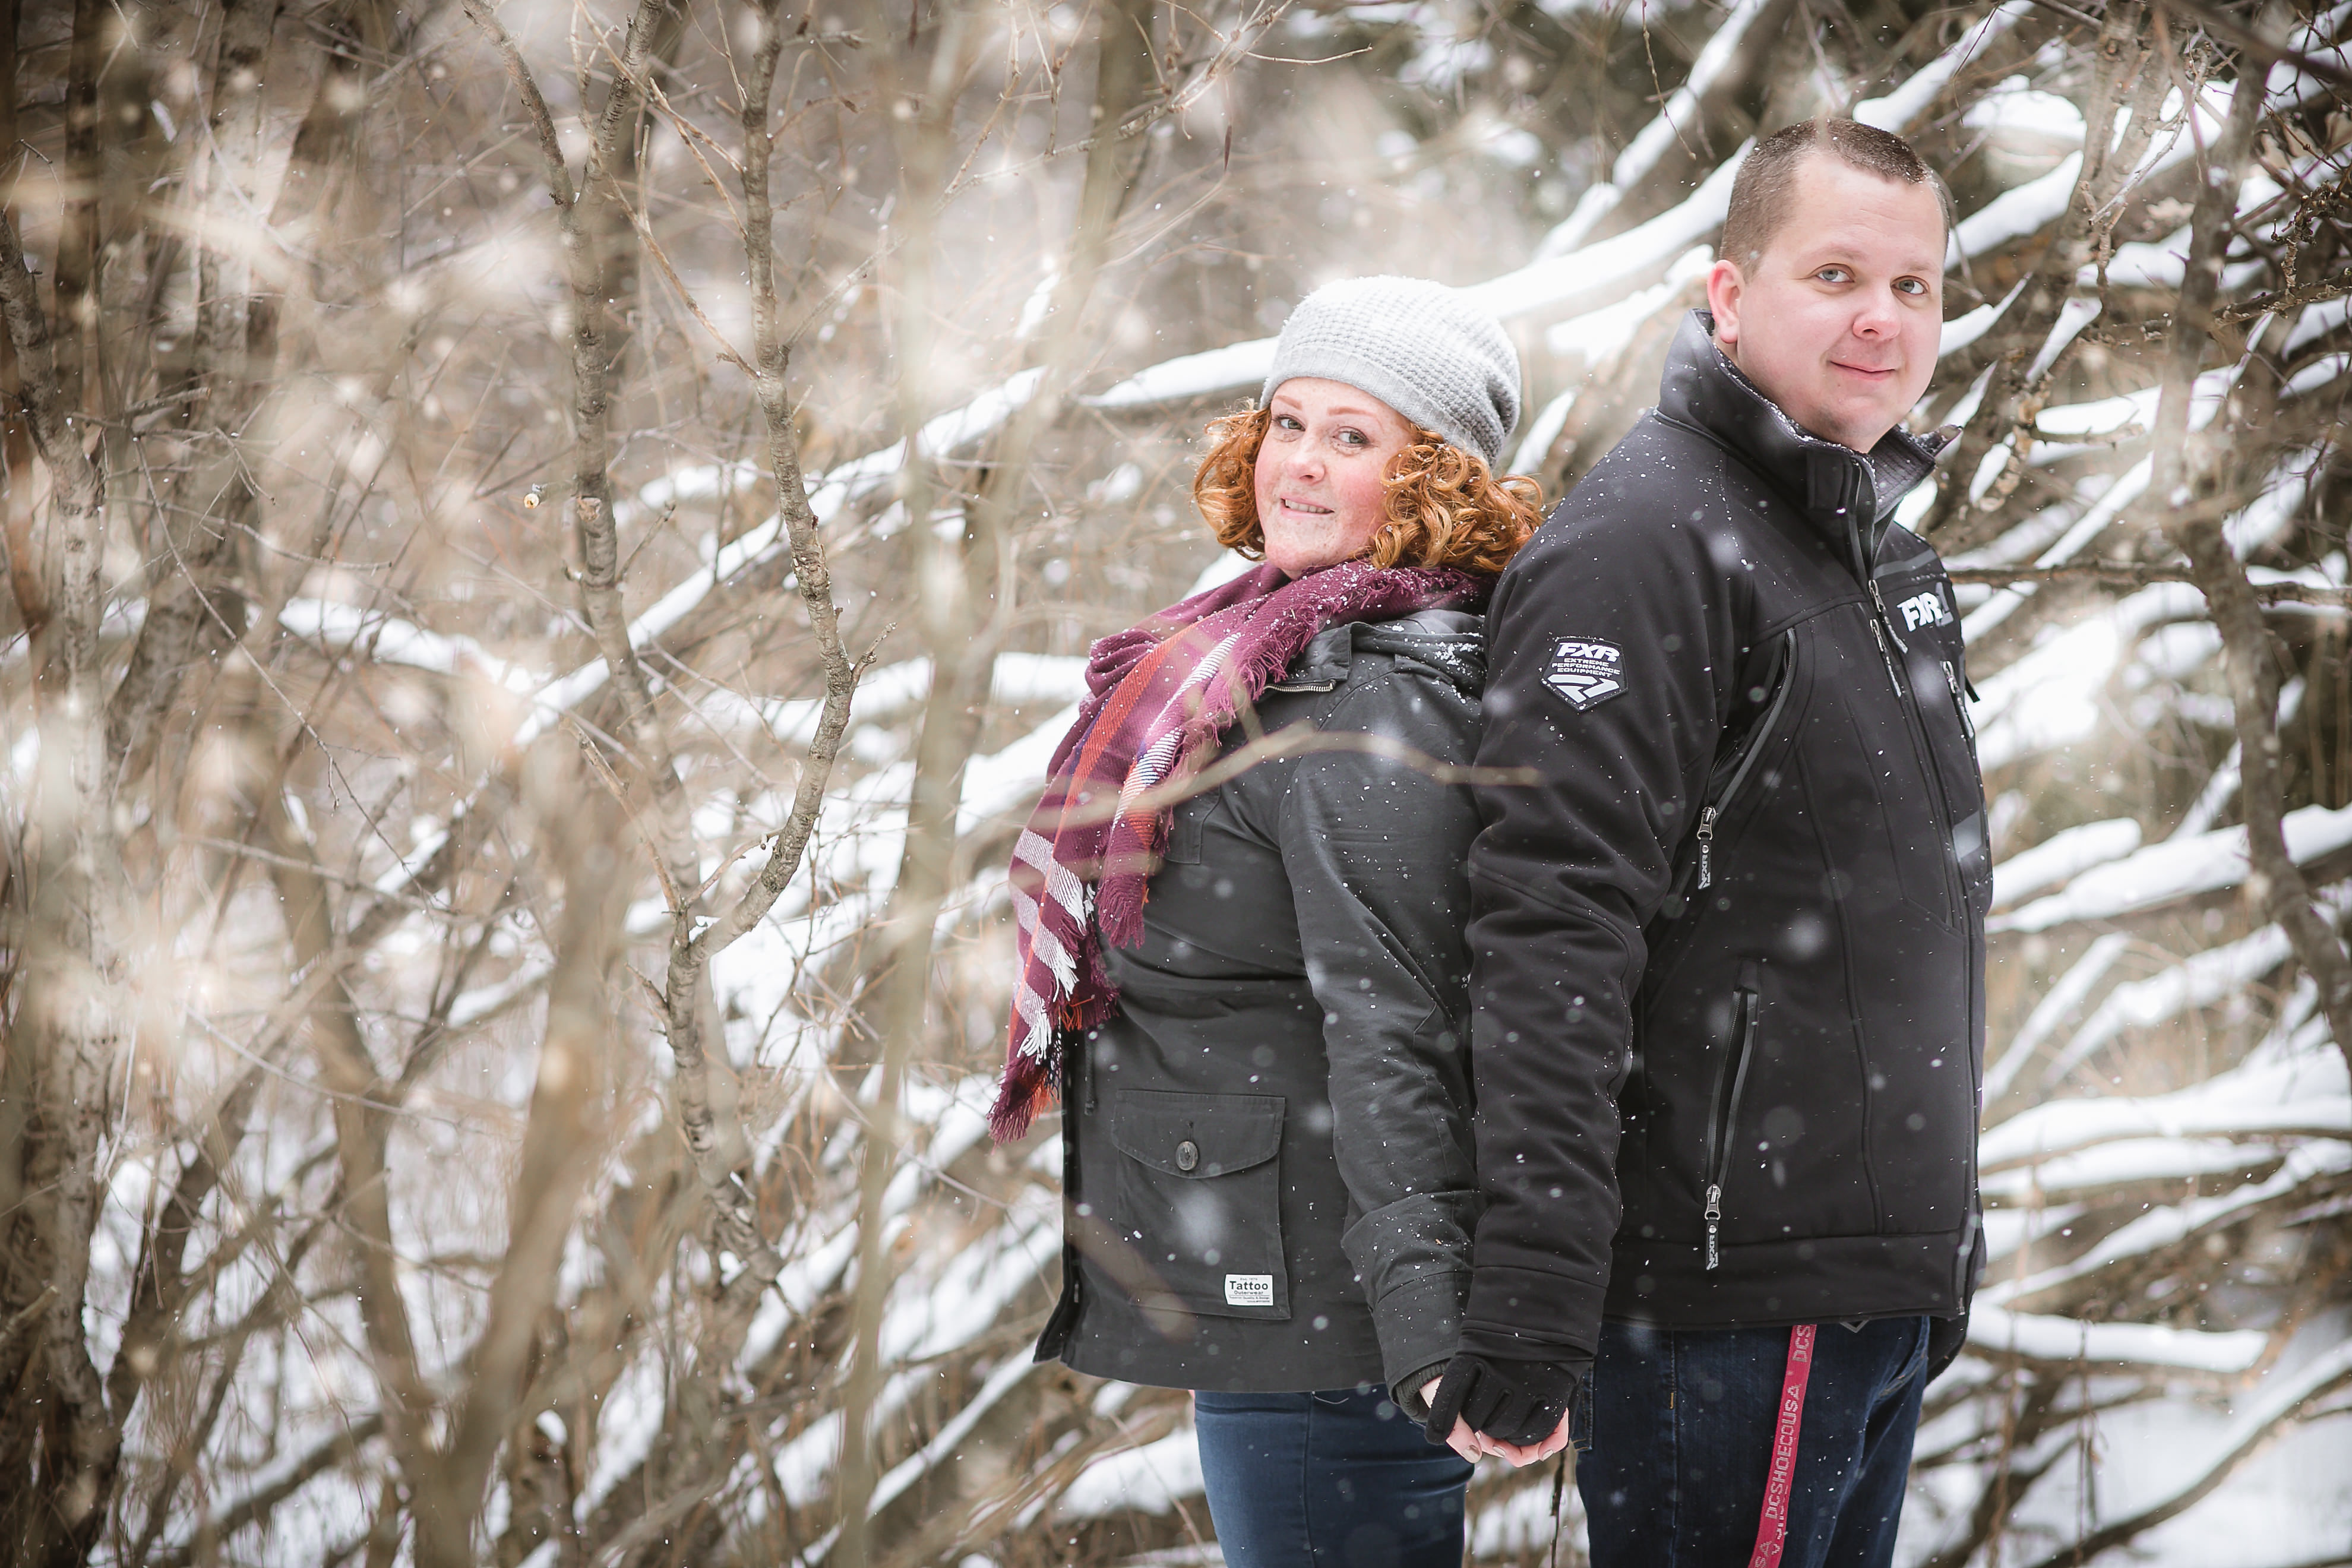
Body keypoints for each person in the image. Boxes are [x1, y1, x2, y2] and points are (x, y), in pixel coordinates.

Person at [1424, 118, 1989, 1567]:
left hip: (1866, 1274)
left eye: (1915, 286)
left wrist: (1938, 1245)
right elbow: (1552, 928)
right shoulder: (1645, 545)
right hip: (1732, 1285)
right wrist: (1538, 1290)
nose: (1883, 318)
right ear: (1727, 295)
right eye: (1838, 273)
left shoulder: (1880, 553)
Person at [989, 277, 1542, 1568]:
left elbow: (1399, 1021)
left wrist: (1429, 1329)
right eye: (1287, 421)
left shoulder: (1365, 709)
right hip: (1279, 1284)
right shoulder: (1263, 663)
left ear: (1433, 481)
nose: (1297, 463)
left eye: (1352, 436)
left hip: (1332, 1325)